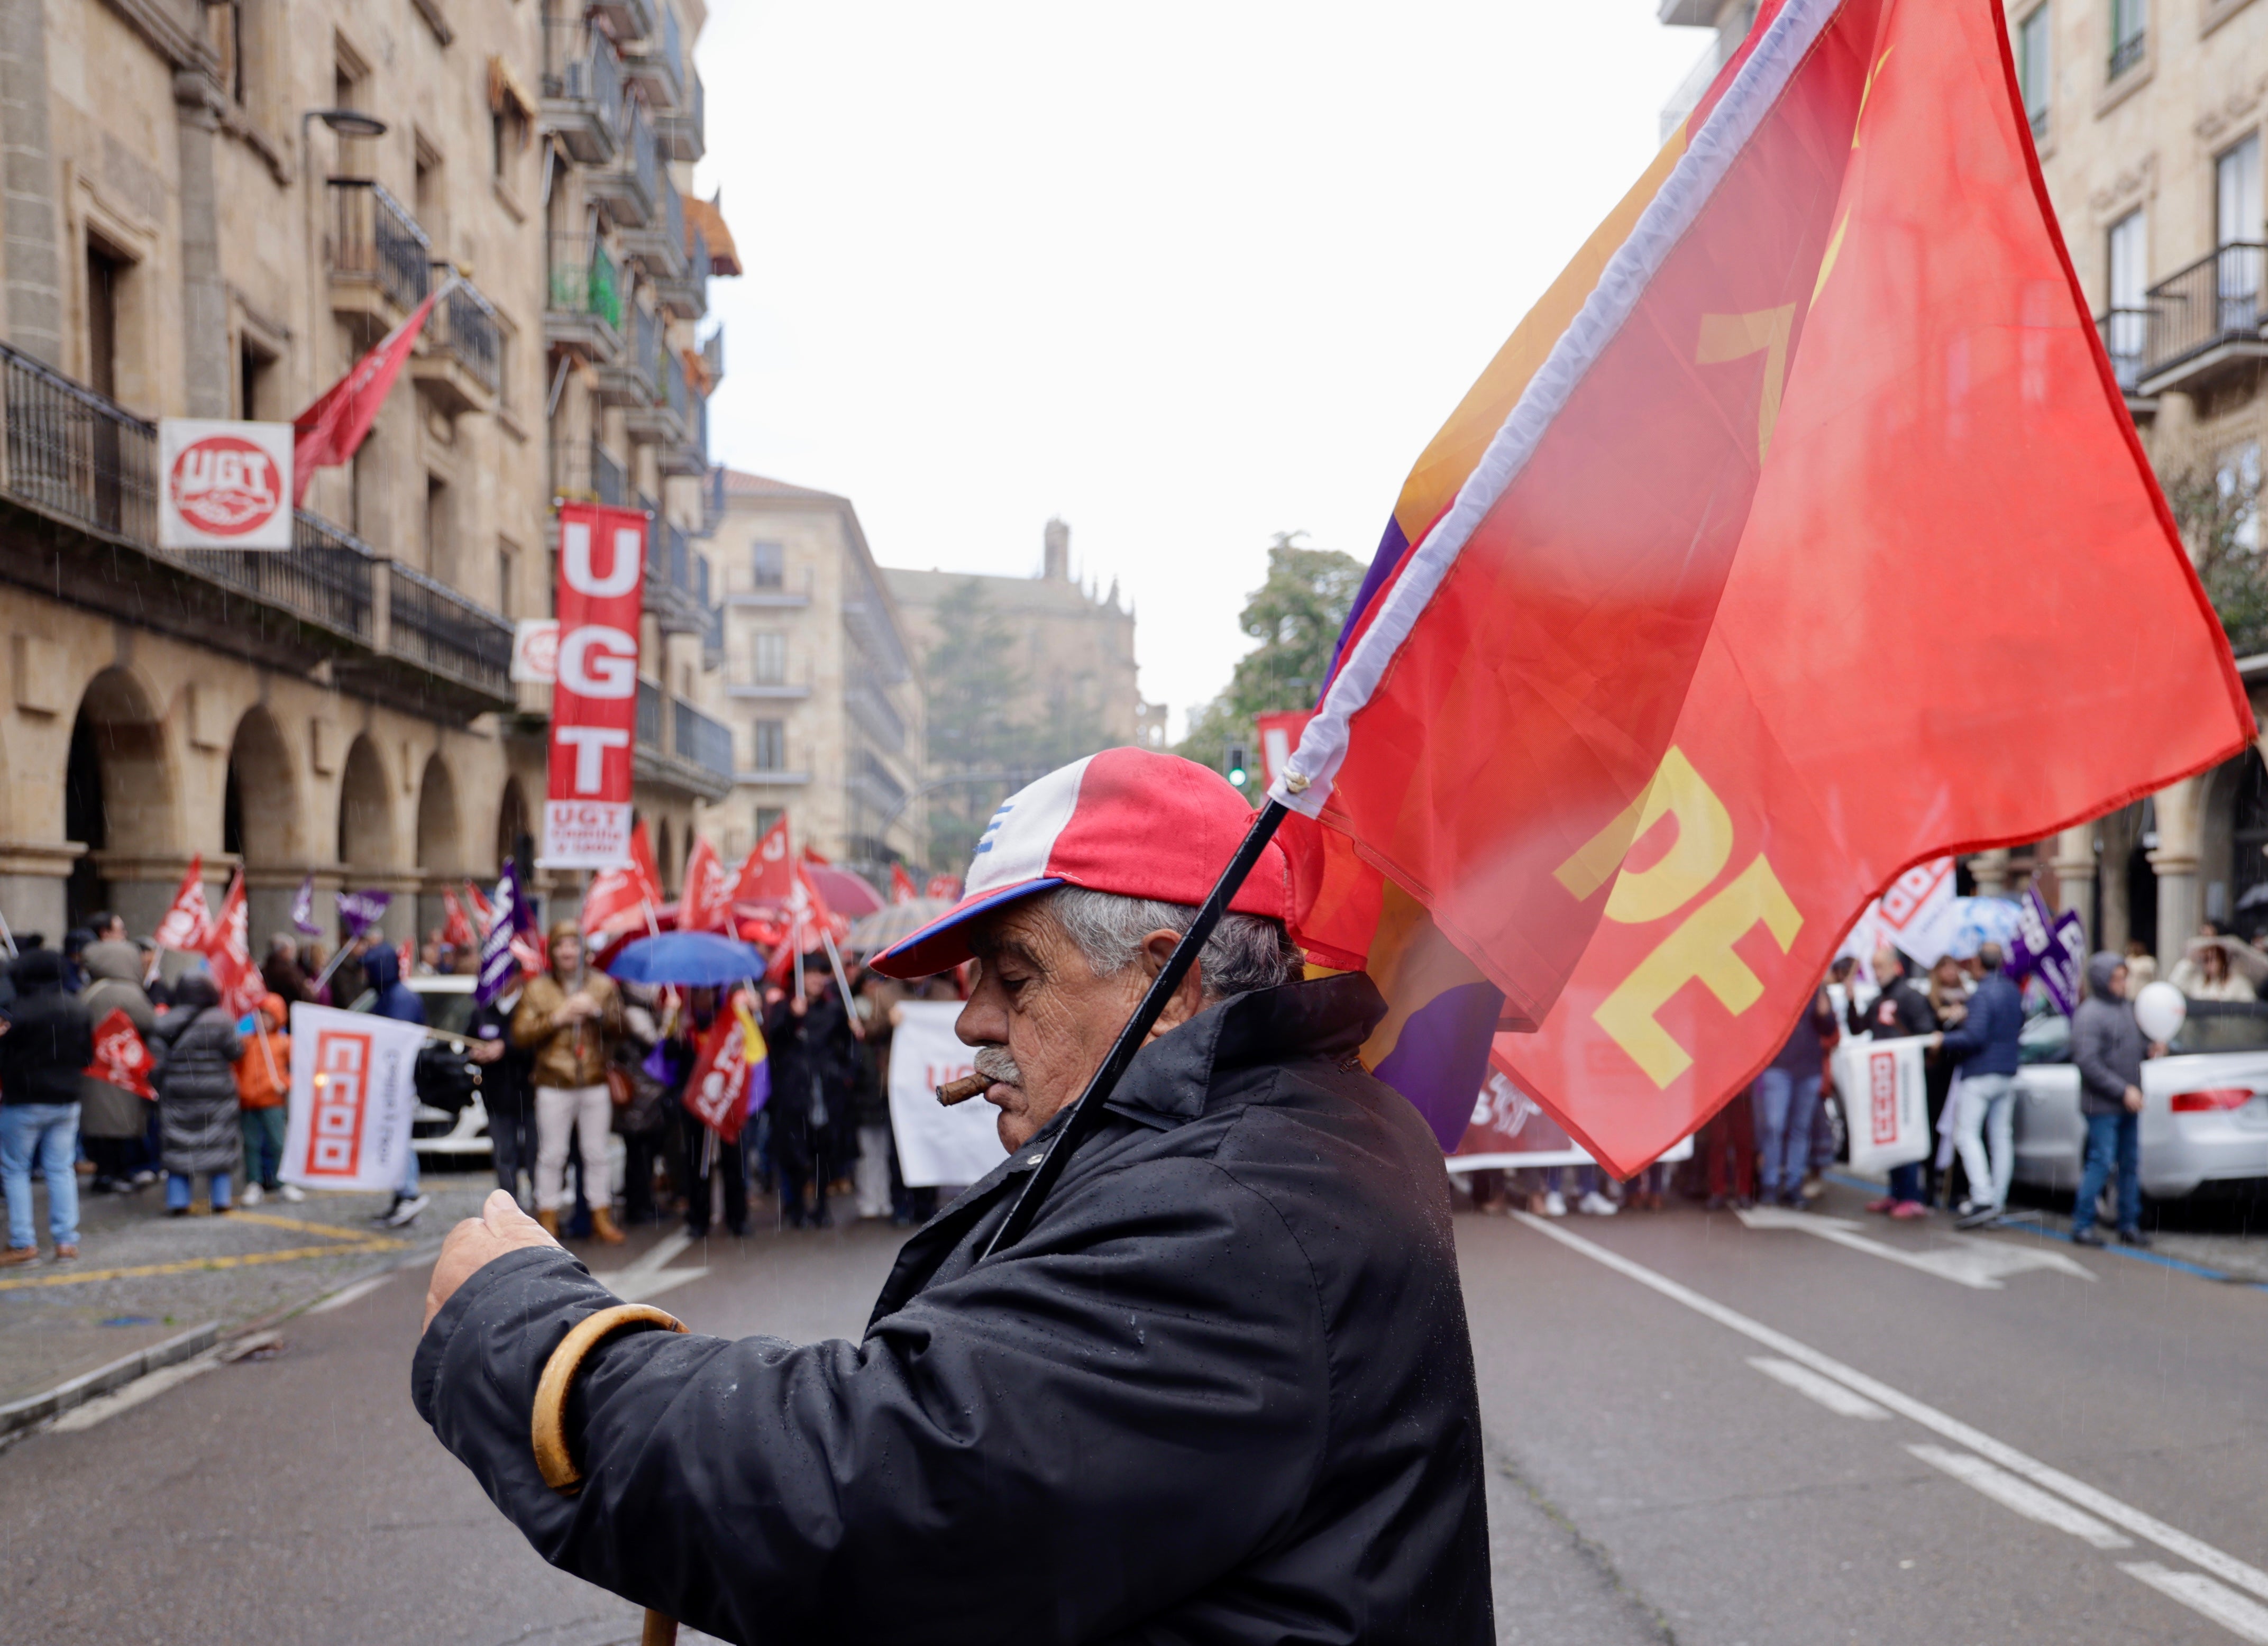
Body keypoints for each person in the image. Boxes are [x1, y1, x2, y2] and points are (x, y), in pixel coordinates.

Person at [414, 749, 1492, 1642]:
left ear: (1166, 985)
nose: (972, 1020)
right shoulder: (1271, 1135)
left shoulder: (1234, 1206)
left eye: (1010, 976)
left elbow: (886, 1489)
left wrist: (533, 1341)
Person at [511, 920, 624, 1243]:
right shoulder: (537, 989)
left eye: (573, 945)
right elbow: (520, 1034)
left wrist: (598, 1014)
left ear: (583, 951)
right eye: (561, 945)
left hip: (593, 1079)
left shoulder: (602, 985)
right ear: (553, 951)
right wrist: (557, 1018)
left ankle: (600, 1213)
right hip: (554, 1081)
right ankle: (547, 1217)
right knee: (552, 1154)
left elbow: (622, 1028)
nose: (568, 951)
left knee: (597, 1152)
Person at [0, 948, 94, 1264]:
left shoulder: (16, 1011)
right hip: (66, 1098)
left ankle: (23, 1242)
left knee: (15, 1170)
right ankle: (66, 1241)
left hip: (24, 1099)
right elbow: (87, 1056)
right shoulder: (77, 1008)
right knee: (61, 1168)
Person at [2070, 951, 2159, 1248]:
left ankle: (2128, 1223)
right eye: (2118, 978)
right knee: (2101, 1162)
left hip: (2128, 1103)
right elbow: (2088, 1062)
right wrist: (2123, 1090)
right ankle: (2082, 1224)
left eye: (2125, 977)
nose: (2123, 984)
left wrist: (2150, 1049)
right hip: (2104, 1105)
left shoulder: (2126, 1009)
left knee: (2130, 1165)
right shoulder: (2090, 1015)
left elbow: (2128, 1048)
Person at [1933, 942, 2024, 1228]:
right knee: (2000, 1136)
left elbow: (1975, 1037)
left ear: (1978, 965)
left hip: (1982, 1071)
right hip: (2007, 1070)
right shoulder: (2011, 991)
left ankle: (1983, 1196)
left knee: (1967, 1134)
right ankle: (1996, 1199)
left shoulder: (1983, 994)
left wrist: (1943, 1040)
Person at [1850, 947, 1939, 1218]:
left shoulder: (1911, 998)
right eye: (1874, 967)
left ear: (1895, 966)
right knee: (1891, 1135)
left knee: (1907, 1133)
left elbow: (1927, 1034)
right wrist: (1851, 999)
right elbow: (1858, 1028)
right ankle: (1896, 1193)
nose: (1877, 973)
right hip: (1884, 1079)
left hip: (1905, 1080)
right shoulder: (1879, 1000)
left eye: (1881, 966)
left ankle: (1912, 1195)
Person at [763, 967, 853, 1228]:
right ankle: (797, 1208)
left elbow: (847, 1046)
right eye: (810, 975)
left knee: (823, 1150)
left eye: (819, 975)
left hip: (825, 1088)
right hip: (794, 1092)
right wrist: (793, 1017)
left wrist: (844, 1073)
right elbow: (776, 1041)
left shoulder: (834, 1008)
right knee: (794, 1151)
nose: (816, 980)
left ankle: (822, 1206)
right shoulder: (784, 1007)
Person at [150, 972, 242, 1217]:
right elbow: (236, 1051)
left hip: (178, 1091)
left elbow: (155, 1065)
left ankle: (178, 1201)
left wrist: (163, 1087)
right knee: (219, 1142)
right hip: (218, 1091)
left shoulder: (162, 1023)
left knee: (179, 1144)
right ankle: (221, 1199)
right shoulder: (221, 1020)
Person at [357, 941, 432, 1228]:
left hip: (398, 1083)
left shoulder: (399, 999)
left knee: (399, 1135)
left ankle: (408, 1193)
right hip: (393, 1082)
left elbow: (394, 1043)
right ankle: (403, 1193)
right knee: (396, 1134)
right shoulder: (393, 996)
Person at [77, 937, 158, 1193]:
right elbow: (150, 1022)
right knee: (122, 1123)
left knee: (101, 1123)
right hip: (123, 1071)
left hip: (94, 1068)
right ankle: (120, 1173)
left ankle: (104, 1173)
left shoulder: (88, 992)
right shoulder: (129, 992)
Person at [1755, 982, 1836, 1210]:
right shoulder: (1779, 982)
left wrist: (1825, 1014)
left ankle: (1793, 1184)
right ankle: (1769, 1183)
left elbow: (1830, 1030)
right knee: (1774, 1126)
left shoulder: (1817, 987)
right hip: (1779, 1067)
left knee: (1799, 1129)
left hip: (1808, 1069)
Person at [470, 973, 536, 1207]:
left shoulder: (530, 1004)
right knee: (503, 1155)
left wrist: (506, 1048)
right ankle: (510, 1209)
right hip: (497, 1095)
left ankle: (542, 1206)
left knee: (535, 1154)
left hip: (531, 1094)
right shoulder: (483, 1009)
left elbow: (536, 1043)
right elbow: (469, 1041)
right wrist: (476, 1054)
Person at [232, 994, 297, 1206]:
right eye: (260, 1015)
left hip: (273, 1101)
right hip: (249, 1101)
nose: (263, 1020)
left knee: (277, 1143)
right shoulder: (247, 1042)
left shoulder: (284, 1043)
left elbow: (300, 1069)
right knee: (251, 1145)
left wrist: (285, 1084)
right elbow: (236, 1068)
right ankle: (254, 1182)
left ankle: (282, 1182)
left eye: (268, 1016)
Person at [2172, 937, 2258, 1002]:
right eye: (2205, 960)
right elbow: (2175, 985)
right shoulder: (2198, 981)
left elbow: (2249, 1006)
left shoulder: (2239, 982)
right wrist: (2190, 961)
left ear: (2222, 961)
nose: (2209, 964)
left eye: (2213, 959)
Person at [262, 935, 315, 1005]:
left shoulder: (265, 969)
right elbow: (302, 995)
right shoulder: (287, 972)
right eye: (291, 949)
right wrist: (308, 990)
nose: (293, 953)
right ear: (283, 950)